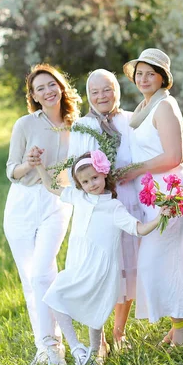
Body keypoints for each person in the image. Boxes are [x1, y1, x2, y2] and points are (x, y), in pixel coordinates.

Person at [121, 48, 183, 347]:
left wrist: (135, 169)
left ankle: (182, 326)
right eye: (139, 73)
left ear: (163, 77)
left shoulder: (165, 106)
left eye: (150, 73)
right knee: (163, 261)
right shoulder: (144, 106)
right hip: (152, 195)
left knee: (159, 261)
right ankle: (181, 323)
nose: (143, 78)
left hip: (169, 193)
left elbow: (173, 155)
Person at [31, 149, 163, 365]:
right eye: (85, 181)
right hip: (78, 265)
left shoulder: (114, 207)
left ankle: (94, 356)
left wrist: (162, 216)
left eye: (94, 178)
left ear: (104, 176)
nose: (91, 184)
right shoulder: (77, 197)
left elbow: (138, 229)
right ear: (79, 184)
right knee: (54, 297)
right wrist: (39, 167)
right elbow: (51, 187)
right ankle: (76, 348)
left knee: (96, 313)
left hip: (102, 270)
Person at [4, 64, 81, 365]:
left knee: (42, 274)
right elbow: (12, 171)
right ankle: (46, 348)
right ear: (33, 97)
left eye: (52, 85)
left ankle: (59, 346)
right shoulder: (24, 124)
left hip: (57, 202)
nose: (47, 91)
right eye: (40, 89)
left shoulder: (78, 125)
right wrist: (27, 163)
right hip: (22, 204)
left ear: (61, 87)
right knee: (30, 279)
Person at [67, 69, 143, 349]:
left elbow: (146, 152)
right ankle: (96, 340)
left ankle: (119, 332)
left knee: (128, 268)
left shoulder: (131, 120)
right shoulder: (81, 126)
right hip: (98, 208)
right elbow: (76, 172)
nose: (101, 96)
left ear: (117, 91)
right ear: (88, 96)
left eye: (107, 89)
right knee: (101, 271)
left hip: (127, 202)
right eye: (95, 91)